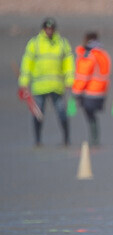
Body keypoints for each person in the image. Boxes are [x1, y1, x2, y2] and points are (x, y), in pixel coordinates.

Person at [18, 17, 75, 146]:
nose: (49, 31)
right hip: (39, 86)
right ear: (43, 29)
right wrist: (23, 82)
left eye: (51, 28)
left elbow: (68, 63)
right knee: (38, 115)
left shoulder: (62, 43)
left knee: (62, 113)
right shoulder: (34, 43)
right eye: (47, 28)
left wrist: (69, 80)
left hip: (57, 86)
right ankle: (38, 140)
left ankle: (66, 139)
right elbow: (27, 64)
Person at [72, 32, 112, 146]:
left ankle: (93, 140)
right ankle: (94, 139)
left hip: (90, 91)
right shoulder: (103, 54)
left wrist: (76, 92)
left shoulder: (89, 55)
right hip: (101, 91)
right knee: (92, 117)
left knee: (90, 117)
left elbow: (84, 75)